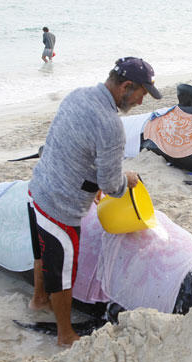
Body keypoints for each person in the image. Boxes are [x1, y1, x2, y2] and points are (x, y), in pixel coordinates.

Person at [27, 57, 162, 346]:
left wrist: (92, 179)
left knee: (42, 252)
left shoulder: (78, 94)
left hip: (38, 188)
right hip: (60, 208)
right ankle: (65, 335)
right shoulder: (111, 125)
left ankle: (39, 300)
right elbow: (113, 187)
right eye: (142, 94)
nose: (141, 102)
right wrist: (129, 178)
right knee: (63, 272)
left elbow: (63, 144)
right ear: (127, 86)